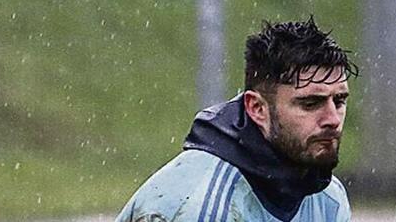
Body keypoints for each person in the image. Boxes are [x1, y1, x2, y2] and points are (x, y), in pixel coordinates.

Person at [115, 17, 358, 222]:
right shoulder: (200, 210)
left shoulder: (330, 199)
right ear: (257, 109)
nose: (332, 119)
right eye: (310, 104)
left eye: (339, 101)